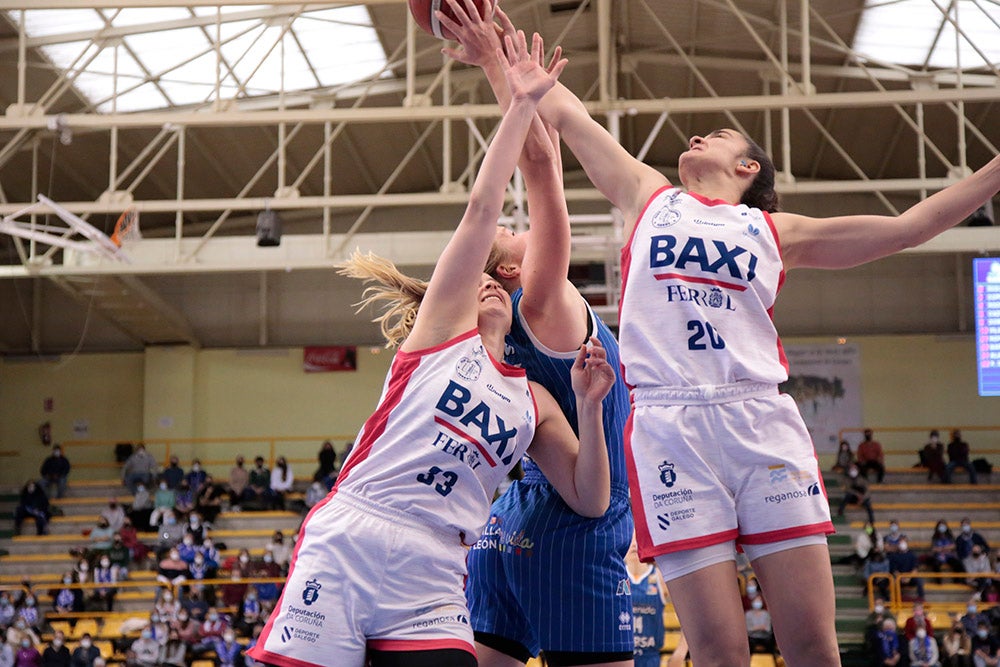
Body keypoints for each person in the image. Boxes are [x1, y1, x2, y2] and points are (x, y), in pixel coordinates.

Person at [481, 3, 1000, 659]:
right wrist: (495, 46)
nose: (698, 137)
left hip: (756, 418)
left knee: (812, 641)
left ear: (749, 168)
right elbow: (565, 116)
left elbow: (907, 227)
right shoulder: (650, 195)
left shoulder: (775, 231)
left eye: (718, 135)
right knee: (720, 650)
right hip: (670, 425)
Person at [248, 35, 614, 667]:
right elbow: (486, 204)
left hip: (439, 562)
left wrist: (586, 404)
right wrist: (518, 98)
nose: (509, 235)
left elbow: (590, 497)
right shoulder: (438, 339)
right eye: (505, 237)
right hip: (357, 533)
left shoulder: (531, 396)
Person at [440, 5, 634, 665]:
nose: (522, 223)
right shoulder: (541, 302)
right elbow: (542, 167)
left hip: (502, 536)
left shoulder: (487, 334)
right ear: (515, 267)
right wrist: (498, 63)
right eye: (512, 230)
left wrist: (492, 55)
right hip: (571, 533)